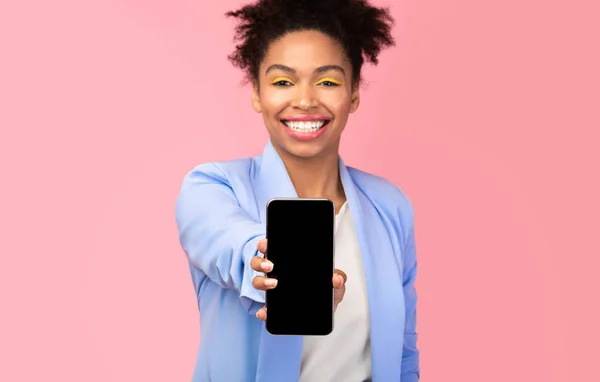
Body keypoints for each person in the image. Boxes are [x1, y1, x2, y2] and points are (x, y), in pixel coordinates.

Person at [175, 0, 420, 381]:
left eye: (327, 81)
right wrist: (269, 265)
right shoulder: (212, 187)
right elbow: (228, 242)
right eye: (282, 81)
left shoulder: (389, 206)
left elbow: (402, 355)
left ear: (354, 92)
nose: (305, 100)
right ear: (257, 93)